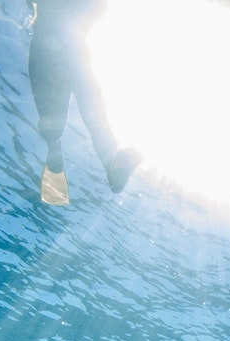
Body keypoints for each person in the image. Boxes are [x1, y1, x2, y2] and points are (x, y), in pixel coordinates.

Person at [27, 0, 141, 205]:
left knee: (53, 124)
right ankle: (112, 168)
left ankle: (54, 148)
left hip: (50, 48)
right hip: (76, 52)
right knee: (94, 112)